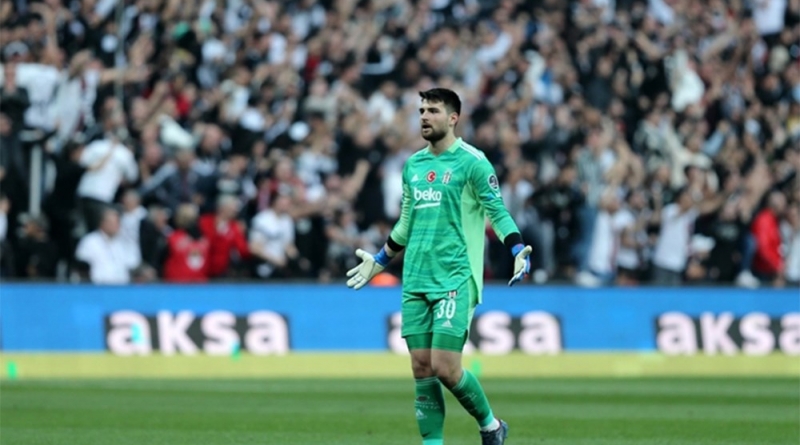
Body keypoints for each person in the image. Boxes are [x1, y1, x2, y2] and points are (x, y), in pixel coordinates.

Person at [345, 88, 532, 445]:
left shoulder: (473, 163)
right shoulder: (413, 165)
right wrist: (380, 260)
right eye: (421, 111)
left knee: (445, 367)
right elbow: (406, 223)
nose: (424, 117)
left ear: (453, 118)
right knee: (421, 367)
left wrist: (517, 248)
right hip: (416, 277)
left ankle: (491, 426)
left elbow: (497, 212)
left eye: (433, 110)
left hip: (455, 277)